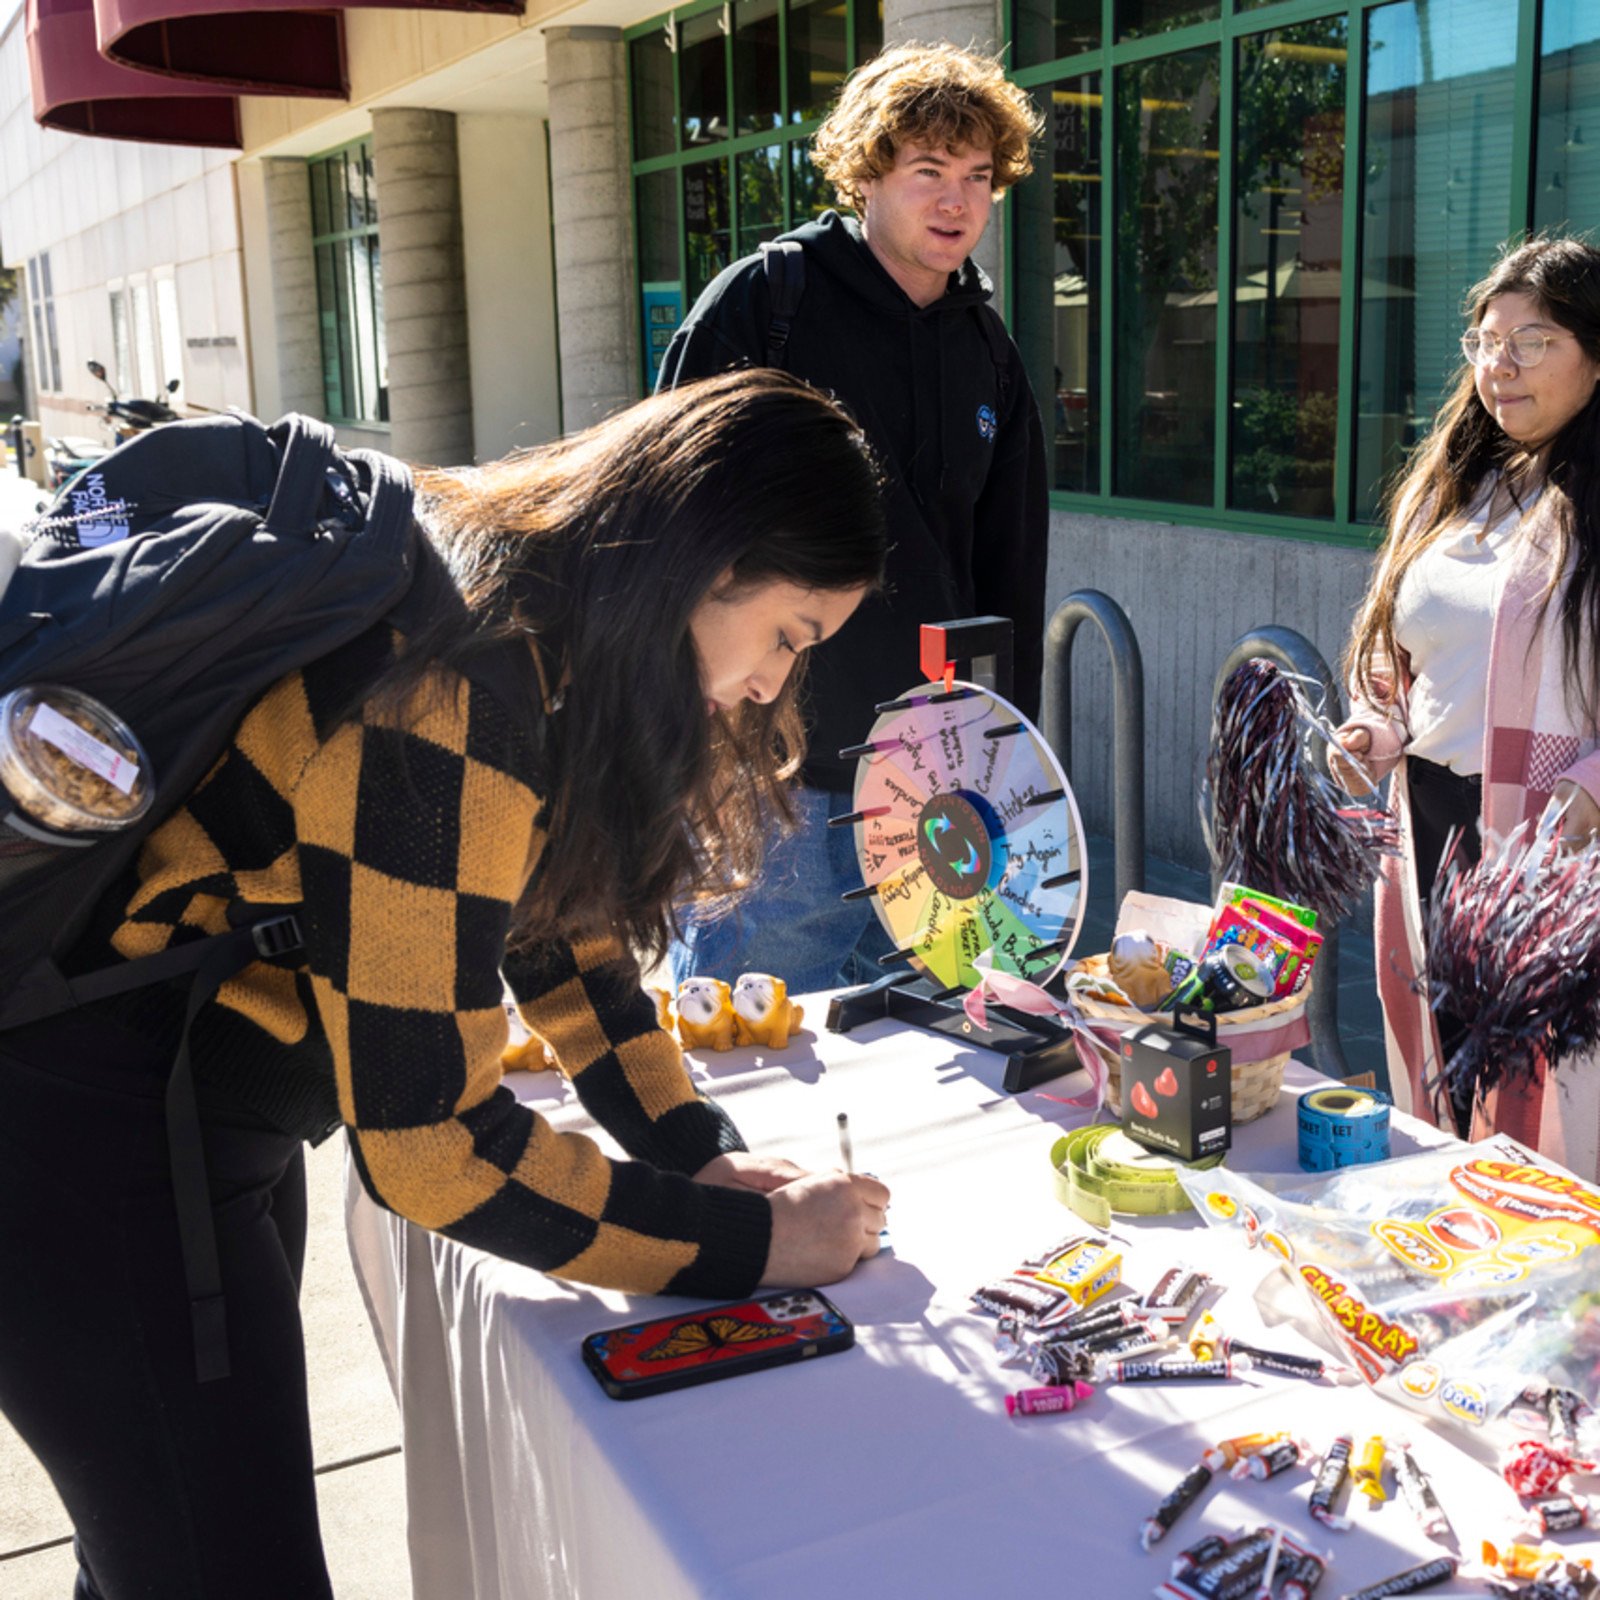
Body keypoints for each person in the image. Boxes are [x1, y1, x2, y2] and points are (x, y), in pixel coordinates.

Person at [0, 370, 892, 1600]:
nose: (773, 688)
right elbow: (430, 1149)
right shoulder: (458, 681)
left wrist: (691, 1146)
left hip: (184, 1114)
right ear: (707, 554)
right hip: (84, 1144)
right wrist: (748, 1242)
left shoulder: (522, 622)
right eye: (789, 636)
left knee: (172, 1553)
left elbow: (548, 926)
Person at [657, 42, 1050, 995]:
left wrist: (1007, 759)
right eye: (928, 173)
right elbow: (662, 527)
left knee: (932, 1069)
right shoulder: (767, 304)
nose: (956, 201)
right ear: (867, 173)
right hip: (770, 788)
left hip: (933, 796)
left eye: (977, 178)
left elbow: (1010, 563)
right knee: (743, 1065)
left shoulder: (987, 346)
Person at [1333, 235, 1600, 1179]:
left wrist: (1592, 793)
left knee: (1552, 1102)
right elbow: (1397, 652)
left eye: (1536, 341)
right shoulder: (1457, 485)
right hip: (1434, 828)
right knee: (1443, 1070)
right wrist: (1378, 725)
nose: (1501, 364)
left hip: (1555, 846)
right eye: (1488, 340)